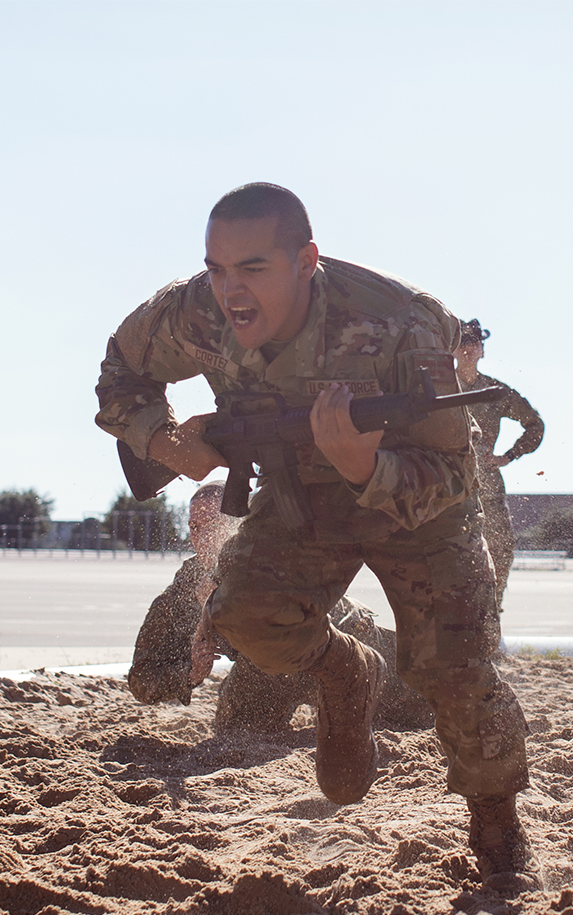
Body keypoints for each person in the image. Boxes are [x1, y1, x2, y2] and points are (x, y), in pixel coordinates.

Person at [95, 183, 541, 894]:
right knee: (245, 618)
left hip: (419, 504)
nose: (230, 291)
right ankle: (344, 671)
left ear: (306, 259)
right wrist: (165, 440)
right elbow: (121, 369)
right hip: (300, 493)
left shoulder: (406, 323)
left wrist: (368, 462)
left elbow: (451, 476)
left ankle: (496, 825)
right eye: (216, 268)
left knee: (453, 667)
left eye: (254, 268)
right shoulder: (196, 311)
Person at [128, 481, 433, 731]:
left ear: (236, 524)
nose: (201, 536)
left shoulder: (270, 555)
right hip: (266, 669)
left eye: (212, 524)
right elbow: (141, 678)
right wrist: (190, 673)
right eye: (194, 526)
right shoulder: (186, 586)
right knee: (234, 733)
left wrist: (224, 596)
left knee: (426, 706)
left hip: (342, 641)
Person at [454, 319, 544, 607]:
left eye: (474, 344)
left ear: (482, 350)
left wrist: (509, 456)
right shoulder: (440, 387)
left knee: (500, 551)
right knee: (448, 554)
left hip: (487, 485)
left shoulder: (495, 391)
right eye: (463, 344)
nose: (468, 349)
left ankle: (490, 619)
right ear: (453, 350)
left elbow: (535, 424)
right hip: (447, 485)